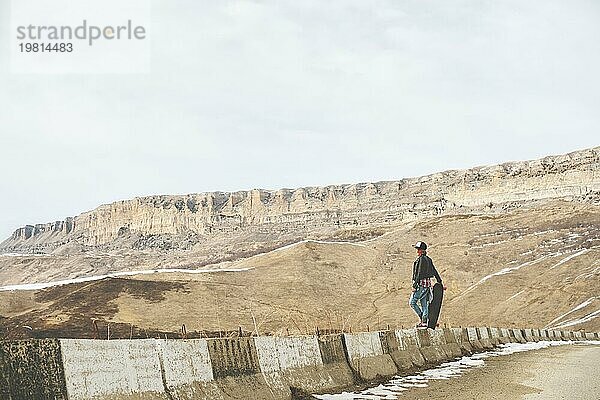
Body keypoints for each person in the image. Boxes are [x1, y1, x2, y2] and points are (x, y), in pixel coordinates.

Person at [409, 241, 442, 328]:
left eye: (418, 250)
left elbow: (419, 273)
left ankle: (422, 318)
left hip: (420, 284)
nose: (417, 252)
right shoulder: (429, 260)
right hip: (427, 285)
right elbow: (434, 271)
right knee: (424, 304)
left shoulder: (421, 260)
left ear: (421, 250)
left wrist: (415, 285)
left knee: (412, 303)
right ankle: (424, 322)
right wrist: (440, 282)